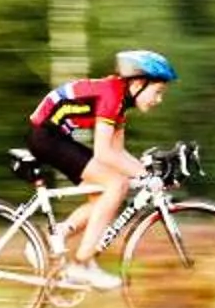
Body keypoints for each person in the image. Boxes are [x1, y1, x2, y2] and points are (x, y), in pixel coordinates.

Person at [25, 49, 176, 291]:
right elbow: (104, 153)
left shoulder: (120, 100)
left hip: (56, 137)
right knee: (117, 185)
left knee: (102, 197)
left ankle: (52, 239)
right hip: (46, 136)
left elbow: (117, 152)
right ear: (138, 83)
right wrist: (146, 176)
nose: (159, 99)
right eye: (157, 92)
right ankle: (82, 263)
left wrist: (151, 176)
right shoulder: (113, 95)